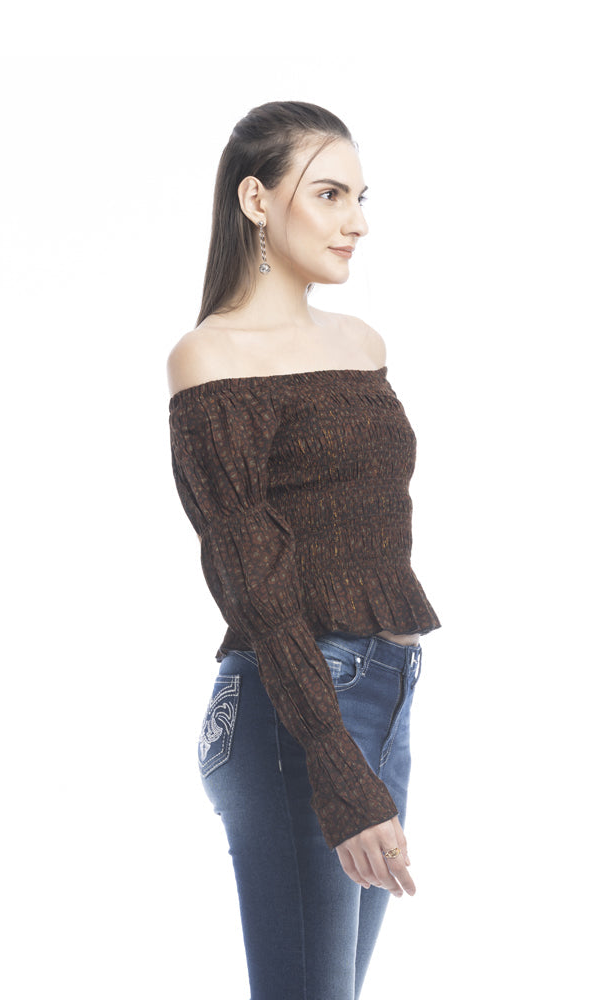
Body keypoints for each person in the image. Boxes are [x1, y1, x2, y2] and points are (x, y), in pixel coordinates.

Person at [166, 101, 440, 1000]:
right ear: (256, 199)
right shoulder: (211, 358)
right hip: (293, 708)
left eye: (360, 197)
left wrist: (365, 746)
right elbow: (253, 580)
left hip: (386, 697)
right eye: (328, 194)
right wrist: (334, 760)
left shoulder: (360, 344)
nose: (354, 221)